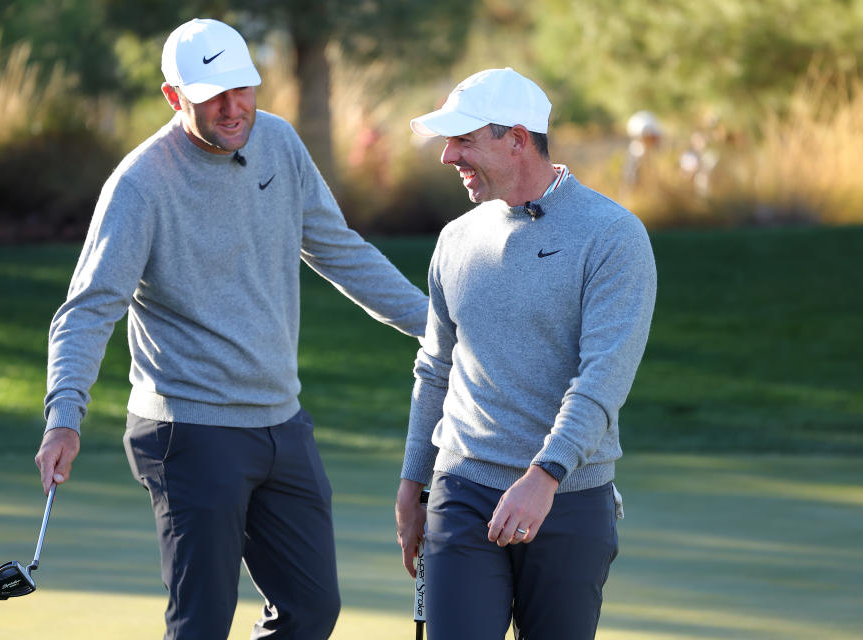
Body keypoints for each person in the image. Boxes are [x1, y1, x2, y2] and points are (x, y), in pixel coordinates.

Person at [34, 18, 428, 640]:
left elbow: (340, 250)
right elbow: (88, 309)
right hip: (189, 431)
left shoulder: (279, 142)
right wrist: (64, 416)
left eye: (241, 88)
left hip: (281, 422)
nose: (232, 106)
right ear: (174, 97)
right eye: (212, 93)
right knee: (201, 624)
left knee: (312, 610)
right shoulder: (139, 186)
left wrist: (437, 330)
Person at [395, 68, 657, 639]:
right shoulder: (455, 239)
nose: (447, 157)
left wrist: (545, 476)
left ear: (516, 138)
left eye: (463, 140)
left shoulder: (613, 235)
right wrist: (415, 481)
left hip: (569, 499)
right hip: (462, 489)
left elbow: (603, 378)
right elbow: (436, 367)